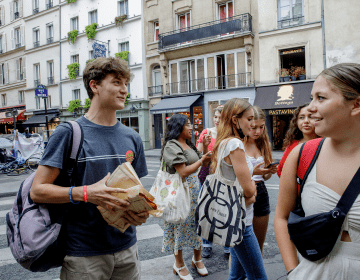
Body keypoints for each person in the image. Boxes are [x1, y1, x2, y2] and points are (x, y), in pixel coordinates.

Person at [30, 57, 149, 280]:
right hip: (84, 256)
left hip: (127, 250)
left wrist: (140, 213)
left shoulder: (133, 138)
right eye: (116, 82)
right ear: (94, 86)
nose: (124, 90)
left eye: (126, 84)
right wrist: (86, 193)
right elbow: (37, 190)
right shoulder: (68, 133)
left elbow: (135, 192)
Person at [274, 63, 360, 280]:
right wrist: (294, 271)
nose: (310, 107)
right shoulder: (303, 153)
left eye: (321, 98)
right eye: (312, 97)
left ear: (356, 104)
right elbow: (282, 217)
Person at [210, 98, 267, 280]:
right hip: (242, 223)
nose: (252, 124)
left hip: (234, 218)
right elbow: (249, 191)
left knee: (237, 276)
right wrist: (252, 191)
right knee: (258, 277)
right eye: (249, 119)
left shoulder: (224, 142)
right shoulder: (235, 144)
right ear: (235, 120)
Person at [161, 114, 211, 280]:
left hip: (194, 191)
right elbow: (182, 171)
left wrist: (204, 146)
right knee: (180, 227)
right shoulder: (172, 145)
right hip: (179, 192)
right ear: (178, 127)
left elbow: (199, 161)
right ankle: (179, 264)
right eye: (188, 124)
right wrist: (202, 160)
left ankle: (197, 259)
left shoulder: (188, 143)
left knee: (198, 225)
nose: (191, 128)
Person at [196, 105, 229, 258]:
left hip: (224, 172)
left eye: (220, 117)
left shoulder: (230, 134)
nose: (217, 120)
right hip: (207, 171)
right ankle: (206, 243)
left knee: (224, 208)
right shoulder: (206, 132)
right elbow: (199, 155)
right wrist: (206, 149)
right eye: (215, 117)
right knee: (207, 209)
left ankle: (227, 244)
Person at [244, 106, 277, 253]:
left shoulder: (264, 144)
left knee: (258, 245)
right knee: (240, 245)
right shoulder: (238, 143)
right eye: (253, 127)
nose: (257, 131)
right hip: (243, 193)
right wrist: (252, 172)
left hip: (261, 191)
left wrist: (269, 171)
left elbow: (265, 177)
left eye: (261, 127)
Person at [277, 103, 318, 177]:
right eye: (301, 117)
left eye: (311, 117)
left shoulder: (327, 142)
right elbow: (281, 170)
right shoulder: (292, 145)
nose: (306, 121)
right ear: (296, 121)